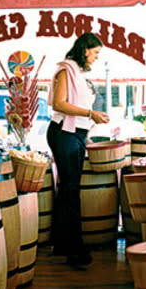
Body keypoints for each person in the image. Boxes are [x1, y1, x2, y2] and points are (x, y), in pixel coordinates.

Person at [46, 32, 109, 268]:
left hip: (75, 134)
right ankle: (75, 250)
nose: (95, 58)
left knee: (69, 190)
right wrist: (91, 114)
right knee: (71, 191)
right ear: (84, 50)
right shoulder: (66, 70)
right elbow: (59, 104)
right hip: (64, 133)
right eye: (94, 53)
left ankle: (63, 244)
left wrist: (88, 129)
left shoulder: (78, 74)